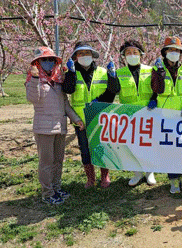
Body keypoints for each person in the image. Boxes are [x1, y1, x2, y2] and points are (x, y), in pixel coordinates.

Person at [25, 46, 84, 204]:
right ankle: (48, 193)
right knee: (46, 162)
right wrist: (36, 78)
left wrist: (76, 119)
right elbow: (33, 99)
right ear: (37, 63)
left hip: (60, 127)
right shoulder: (33, 80)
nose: (49, 63)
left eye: (51, 60)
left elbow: (65, 105)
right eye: (44, 60)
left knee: (58, 160)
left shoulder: (58, 82)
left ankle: (57, 187)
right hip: (44, 129)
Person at [62, 42, 120, 188]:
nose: (84, 56)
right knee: (85, 149)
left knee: (102, 147)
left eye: (87, 53)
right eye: (80, 54)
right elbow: (68, 90)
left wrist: (113, 76)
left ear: (93, 56)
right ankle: (90, 178)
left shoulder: (102, 72)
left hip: (100, 118)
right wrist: (70, 74)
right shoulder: (72, 72)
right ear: (75, 56)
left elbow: (113, 91)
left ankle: (104, 176)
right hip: (80, 120)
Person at [148, 36, 182, 194]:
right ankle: (173, 180)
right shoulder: (157, 69)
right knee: (169, 149)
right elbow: (157, 89)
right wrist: (160, 73)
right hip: (165, 116)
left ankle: (181, 177)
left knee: (181, 147)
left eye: (177, 50)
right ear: (165, 52)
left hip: (181, 116)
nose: (174, 53)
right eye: (171, 50)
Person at [115, 39, 157, 187]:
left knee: (149, 144)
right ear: (123, 56)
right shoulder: (119, 73)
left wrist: (154, 99)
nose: (132, 55)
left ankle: (149, 172)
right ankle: (137, 173)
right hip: (129, 116)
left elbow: (157, 90)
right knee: (132, 145)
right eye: (128, 53)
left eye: (135, 52)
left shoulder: (150, 70)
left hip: (148, 114)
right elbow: (112, 92)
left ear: (141, 54)